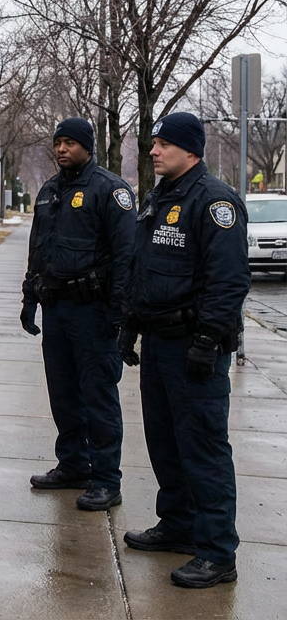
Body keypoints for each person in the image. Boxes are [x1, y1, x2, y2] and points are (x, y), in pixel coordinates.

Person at [120, 112, 249, 589]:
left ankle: (217, 552)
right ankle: (178, 525)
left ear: (190, 150)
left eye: (163, 144)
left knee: (204, 448)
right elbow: (143, 266)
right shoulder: (159, 198)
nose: (154, 151)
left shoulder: (215, 202)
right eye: (153, 143)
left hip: (194, 347)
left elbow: (229, 280)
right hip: (158, 342)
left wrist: (208, 339)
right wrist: (129, 324)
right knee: (165, 441)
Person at [20, 117, 136, 511]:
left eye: (70, 142)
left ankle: (106, 479)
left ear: (88, 146)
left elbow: (126, 257)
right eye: (58, 143)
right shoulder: (50, 191)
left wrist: (118, 314)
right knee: (64, 394)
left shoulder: (110, 190)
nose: (62, 149)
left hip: (95, 311)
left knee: (98, 398)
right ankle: (73, 465)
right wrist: (29, 298)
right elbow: (38, 249)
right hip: (57, 309)